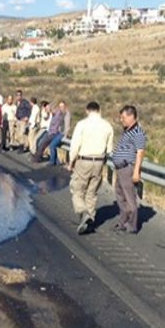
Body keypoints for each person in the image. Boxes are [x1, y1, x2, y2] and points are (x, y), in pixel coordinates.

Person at [68, 101, 114, 235]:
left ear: (87, 110)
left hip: (84, 160)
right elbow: (109, 149)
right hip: (99, 161)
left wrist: (71, 161)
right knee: (92, 192)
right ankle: (90, 221)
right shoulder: (107, 126)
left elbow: (75, 145)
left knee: (77, 190)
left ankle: (84, 213)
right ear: (99, 110)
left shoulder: (82, 124)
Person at [112, 105, 147, 234]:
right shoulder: (127, 131)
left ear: (131, 116)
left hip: (128, 168)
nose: (122, 120)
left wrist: (136, 171)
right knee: (120, 195)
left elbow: (140, 152)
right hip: (120, 168)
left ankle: (131, 225)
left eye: (124, 117)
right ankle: (123, 220)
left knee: (129, 197)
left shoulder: (138, 132)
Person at [48, 101, 71, 166]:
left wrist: (65, 134)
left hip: (62, 133)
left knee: (52, 145)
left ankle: (52, 162)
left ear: (65, 106)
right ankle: (57, 161)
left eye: (62, 106)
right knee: (53, 145)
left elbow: (67, 125)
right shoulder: (61, 113)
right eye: (60, 106)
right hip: (58, 132)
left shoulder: (67, 114)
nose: (61, 108)